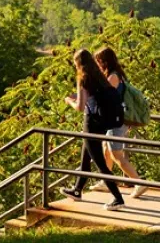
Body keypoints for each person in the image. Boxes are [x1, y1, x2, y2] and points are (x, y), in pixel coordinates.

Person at [60, 49, 125, 211]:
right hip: (102, 122)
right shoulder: (100, 76)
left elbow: (80, 107)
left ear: (78, 64)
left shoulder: (83, 78)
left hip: (91, 123)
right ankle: (77, 190)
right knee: (85, 158)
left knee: (101, 165)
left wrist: (69, 100)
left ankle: (118, 198)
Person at [90, 47, 148, 199]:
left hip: (117, 121)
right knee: (106, 149)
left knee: (116, 154)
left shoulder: (113, 77)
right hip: (114, 120)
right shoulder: (113, 74)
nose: (97, 64)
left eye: (98, 61)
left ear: (104, 61)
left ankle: (138, 182)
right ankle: (106, 181)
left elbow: (104, 96)